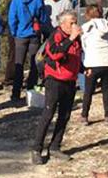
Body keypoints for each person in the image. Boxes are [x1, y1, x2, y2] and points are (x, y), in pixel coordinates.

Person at [31, 10, 82, 164]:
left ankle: (55, 146)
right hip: (54, 79)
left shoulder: (76, 38)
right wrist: (71, 38)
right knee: (48, 113)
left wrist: (84, 69)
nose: (74, 25)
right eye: (71, 22)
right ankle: (37, 148)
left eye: (75, 22)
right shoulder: (56, 35)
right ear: (62, 23)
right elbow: (54, 54)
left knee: (65, 115)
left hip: (70, 80)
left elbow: (77, 55)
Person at [9, 0, 48, 104]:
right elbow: (43, 18)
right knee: (34, 64)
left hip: (20, 35)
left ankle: (16, 93)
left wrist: (15, 32)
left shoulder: (16, 0)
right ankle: (30, 91)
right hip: (34, 35)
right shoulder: (38, 0)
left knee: (18, 64)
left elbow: (12, 18)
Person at [80, 4, 108, 125]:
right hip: (107, 60)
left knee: (88, 91)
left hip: (92, 61)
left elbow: (83, 44)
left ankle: (84, 115)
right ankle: (107, 116)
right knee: (106, 90)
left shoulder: (86, 27)